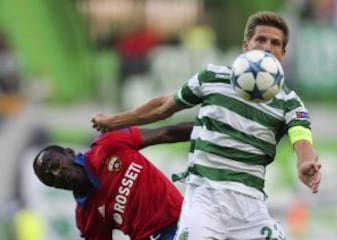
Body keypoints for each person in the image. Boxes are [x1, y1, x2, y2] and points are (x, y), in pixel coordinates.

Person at [91, 11, 322, 240]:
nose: (266, 47)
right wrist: (114, 121)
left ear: (282, 53)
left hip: (251, 206)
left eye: (275, 43)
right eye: (260, 39)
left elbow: (301, 139)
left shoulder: (289, 102)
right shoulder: (213, 78)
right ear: (246, 44)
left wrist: (306, 162)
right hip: (205, 199)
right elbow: (163, 107)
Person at [33, 121, 193, 240]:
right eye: (50, 178)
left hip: (189, 216)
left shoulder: (109, 144)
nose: (57, 173)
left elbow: (164, 133)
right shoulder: (86, 216)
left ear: (69, 152)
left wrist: (211, 131)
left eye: (55, 164)